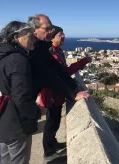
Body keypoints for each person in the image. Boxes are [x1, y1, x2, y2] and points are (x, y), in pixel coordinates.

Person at [39, 26, 92, 160]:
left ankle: (53, 143)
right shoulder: (50, 53)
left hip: (58, 93)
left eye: (63, 34)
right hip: (51, 93)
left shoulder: (59, 51)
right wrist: (82, 62)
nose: (63, 36)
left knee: (55, 121)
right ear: (51, 37)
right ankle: (49, 153)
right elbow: (63, 74)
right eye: (60, 34)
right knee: (51, 122)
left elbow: (64, 73)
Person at [0, 21, 41, 164]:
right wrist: (34, 113)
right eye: (31, 36)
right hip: (16, 121)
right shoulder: (18, 59)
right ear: (17, 36)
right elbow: (21, 96)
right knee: (19, 160)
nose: (34, 40)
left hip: (0, 116)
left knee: (4, 159)